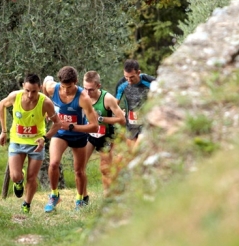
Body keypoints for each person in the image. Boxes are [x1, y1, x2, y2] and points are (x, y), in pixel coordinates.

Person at [0, 74, 61, 213]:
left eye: (34, 91)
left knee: (32, 178)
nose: (30, 94)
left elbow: (58, 123)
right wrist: (3, 131)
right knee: (15, 176)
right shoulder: (16, 96)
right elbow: (2, 104)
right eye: (27, 90)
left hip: (36, 143)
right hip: (17, 141)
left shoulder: (45, 102)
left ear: (39, 88)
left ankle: (26, 204)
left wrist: (45, 138)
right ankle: (19, 181)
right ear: (23, 87)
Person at [42, 66, 99, 212]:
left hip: (78, 134)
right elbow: (45, 83)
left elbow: (94, 127)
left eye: (70, 86)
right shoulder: (52, 88)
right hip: (60, 132)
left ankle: (80, 200)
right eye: (63, 86)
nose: (66, 90)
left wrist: (72, 127)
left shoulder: (83, 98)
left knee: (79, 171)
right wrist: (49, 111)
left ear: (76, 82)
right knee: (53, 163)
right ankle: (54, 196)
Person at [81, 71, 126, 203]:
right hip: (90, 134)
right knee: (80, 166)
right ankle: (83, 198)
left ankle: (109, 198)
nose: (88, 93)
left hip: (106, 135)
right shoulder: (81, 96)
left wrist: (100, 118)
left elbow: (122, 119)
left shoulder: (108, 98)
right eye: (85, 89)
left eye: (91, 90)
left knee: (105, 168)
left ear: (98, 86)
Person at [115, 59, 156, 149]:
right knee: (130, 153)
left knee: (136, 149)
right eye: (126, 77)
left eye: (132, 77)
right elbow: (114, 104)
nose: (129, 80)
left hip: (146, 122)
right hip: (131, 123)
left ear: (138, 72)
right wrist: (119, 112)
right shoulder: (121, 84)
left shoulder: (150, 81)